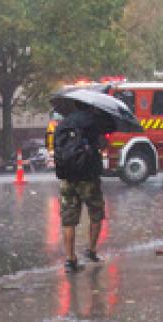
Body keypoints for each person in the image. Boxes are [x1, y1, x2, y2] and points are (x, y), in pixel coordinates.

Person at [53, 99, 107, 272]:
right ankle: (91, 250)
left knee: (68, 219)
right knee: (96, 214)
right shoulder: (93, 122)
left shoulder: (63, 124)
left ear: (75, 105)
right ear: (90, 106)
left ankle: (70, 260)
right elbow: (101, 144)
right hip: (88, 177)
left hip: (67, 178)